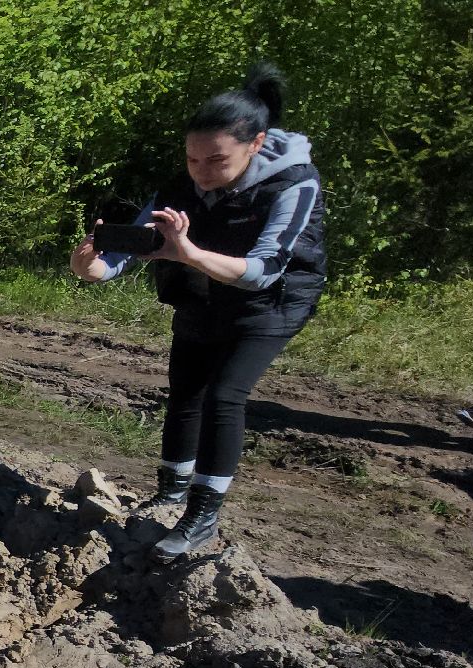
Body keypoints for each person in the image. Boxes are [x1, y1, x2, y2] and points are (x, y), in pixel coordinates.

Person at [70, 63, 324, 562]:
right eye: (192, 159)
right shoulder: (178, 188)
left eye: (216, 160)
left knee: (224, 396)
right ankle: (171, 490)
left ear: (255, 144)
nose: (202, 172)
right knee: (185, 392)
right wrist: (89, 268)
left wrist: (188, 254)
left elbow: (264, 269)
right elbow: (124, 255)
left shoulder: (293, 184)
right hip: (200, 298)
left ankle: (202, 515)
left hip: (268, 304)